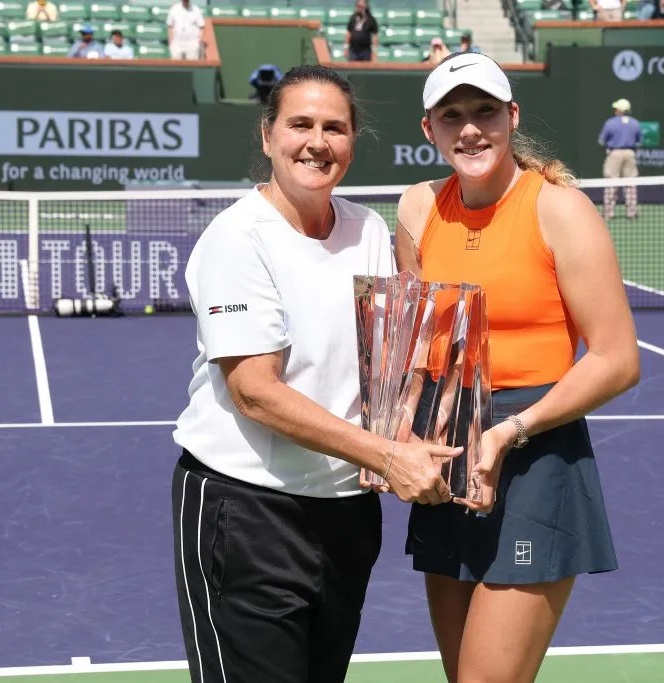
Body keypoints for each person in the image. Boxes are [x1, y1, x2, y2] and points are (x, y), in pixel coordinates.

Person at [171, 65, 463, 683]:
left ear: (353, 141)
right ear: (268, 134)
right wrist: (388, 455)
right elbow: (255, 394)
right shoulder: (237, 239)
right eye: (300, 124)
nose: (317, 142)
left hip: (346, 514)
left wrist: (412, 432)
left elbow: (383, 365)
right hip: (247, 512)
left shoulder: (369, 230)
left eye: (335, 128)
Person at [392, 51, 640, 683]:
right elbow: (414, 346)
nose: (469, 128)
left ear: (511, 116)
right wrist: (395, 434)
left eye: (484, 111)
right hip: (447, 455)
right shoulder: (417, 209)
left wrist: (510, 431)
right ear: (430, 129)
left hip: (533, 455)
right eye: (452, 115)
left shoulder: (559, 209)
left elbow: (617, 360)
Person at [598, 98, 641, 220]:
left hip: (615, 153)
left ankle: (608, 213)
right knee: (631, 184)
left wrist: (609, 146)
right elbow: (639, 141)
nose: (615, 110)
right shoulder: (635, 123)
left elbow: (601, 141)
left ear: (620, 110)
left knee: (612, 183)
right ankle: (632, 213)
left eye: (616, 109)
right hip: (630, 154)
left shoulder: (610, 123)